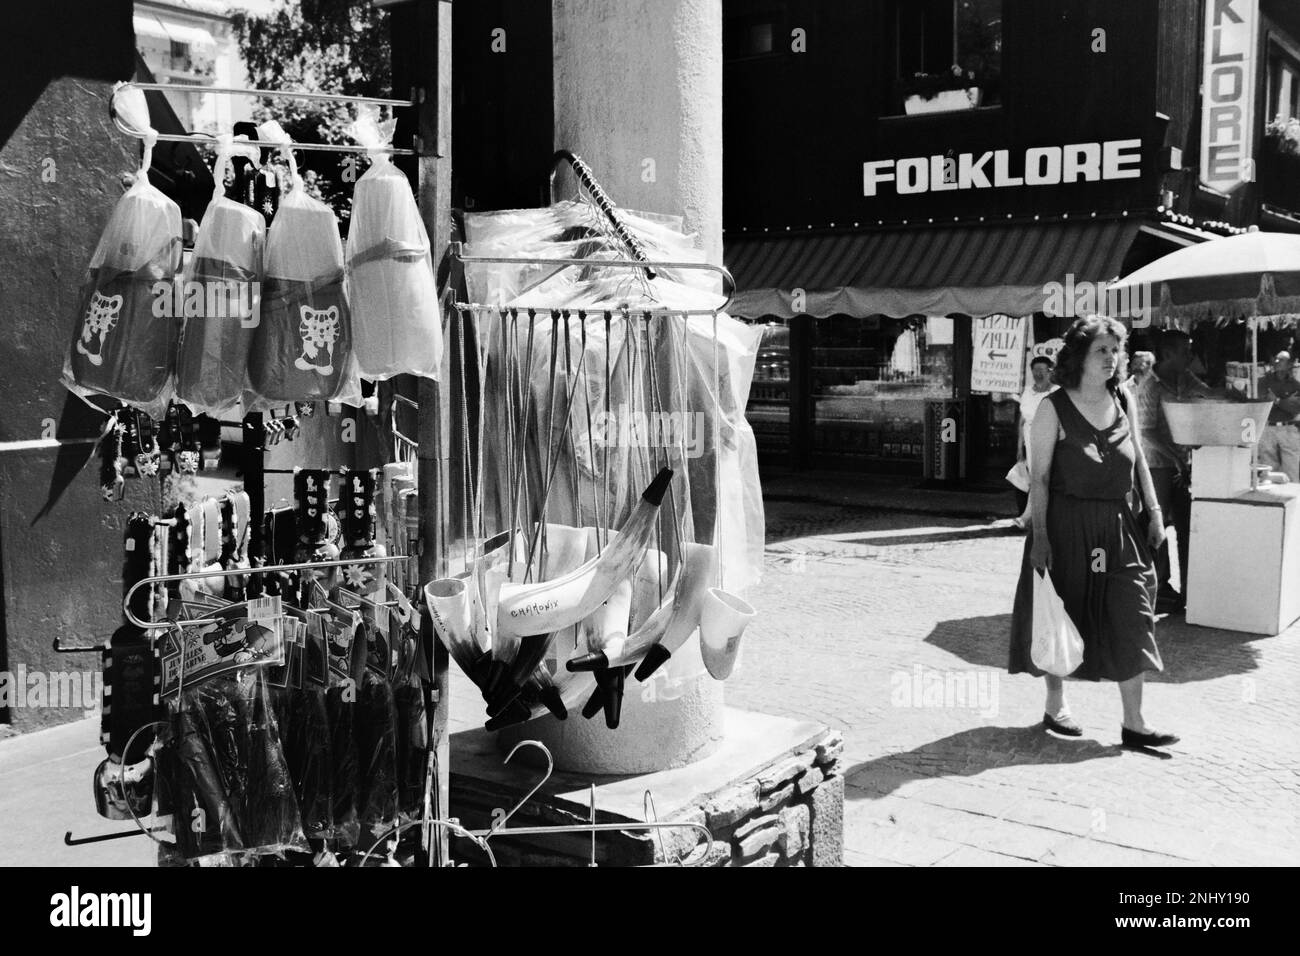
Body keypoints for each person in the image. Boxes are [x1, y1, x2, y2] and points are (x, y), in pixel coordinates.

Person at [1009, 315, 1177, 748]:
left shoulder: (1122, 398)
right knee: (1061, 613)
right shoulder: (1052, 407)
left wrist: (1155, 511)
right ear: (1080, 356)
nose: (1112, 358)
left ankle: (1135, 723)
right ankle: (1055, 704)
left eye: (1115, 350)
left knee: (1132, 612)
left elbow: (1139, 456)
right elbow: (1040, 479)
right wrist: (1041, 537)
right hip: (1066, 526)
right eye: (1102, 349)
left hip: (1120, 527)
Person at [1135, 329, 1211, 614]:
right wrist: (1176, 458)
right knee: (1158, 527)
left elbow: (1205, 391)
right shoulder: (1150, 387)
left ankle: (1191, 588)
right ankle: (1160, 587)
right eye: (1184, 351)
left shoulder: (1183, 377)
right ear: (1168, 354)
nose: (1189, 356)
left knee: (1186, 525)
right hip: (1157, 463)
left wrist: (1232, 393)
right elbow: (1147, 432)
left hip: (1179, 462)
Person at [1012, 356, 1057, 526]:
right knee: (1035, 478)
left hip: (1047, 438)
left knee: (1041, 478)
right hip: (1029, 440)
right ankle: (1034, 517)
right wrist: (1019, 446)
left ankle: (1026, 517)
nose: (1038, 374)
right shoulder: (1028, 392)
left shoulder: (1056, 393)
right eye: (1035, 370)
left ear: (1050, 372)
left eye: (1042, 370)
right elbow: (1023, 420)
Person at [1258, 350, 1300, 482]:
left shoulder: (1295, 385)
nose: (1276, 362)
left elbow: (1296, 407)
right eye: (1276, 359)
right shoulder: (1264, 381)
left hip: (1288, 429)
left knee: (1292, 470)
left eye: (1281, 360)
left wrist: (1276, 400)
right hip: (1268, 427)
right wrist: (1286, 401)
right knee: (1269, 471)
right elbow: (1263, 401)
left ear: (1289, 364)